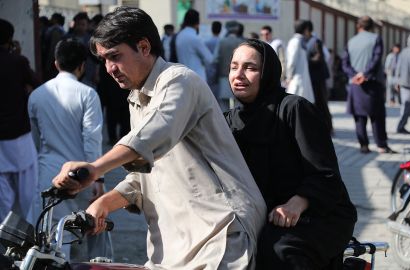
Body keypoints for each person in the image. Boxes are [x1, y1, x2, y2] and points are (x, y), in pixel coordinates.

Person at [52, 7, 266, 269]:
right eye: (104, 60)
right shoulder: (137, 98)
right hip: (173, 245)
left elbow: (153, 134)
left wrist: (94, 169)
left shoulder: (179, 80)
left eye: (115, 56)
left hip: (219, 233)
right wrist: (104, 202)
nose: (109, 68)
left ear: (143, 46)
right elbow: (143, 177)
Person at [225, 39, 357, 270]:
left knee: (278, 249)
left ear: (268, 73)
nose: (239, 74)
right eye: (234, 66)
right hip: (264, 214)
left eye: (251, 68)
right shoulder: (229, 121)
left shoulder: (294, 109)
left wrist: (298, 203)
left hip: (319, 213)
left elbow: (326, 175)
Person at [28, 39, 113, 261]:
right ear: (82, 65)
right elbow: (92, 140)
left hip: (49, 175)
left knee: (52, 240)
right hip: (81, 175)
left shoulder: (36, 96)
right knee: (88, 233)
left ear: (56, 64)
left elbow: (35, 143)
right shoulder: (88, 94)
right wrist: (99, 178)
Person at [0, 18, 40, 223]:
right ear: (10, 39)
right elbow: (37, 84)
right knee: (28, 196)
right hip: (19, 136)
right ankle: (28, 241)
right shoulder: (17, 62)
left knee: (2, 200)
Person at [342, 16, 394, 154]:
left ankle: (363, 145)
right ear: (372, 27)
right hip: (372, 83)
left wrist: (354, 75)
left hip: (355, 84)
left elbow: (345, 63)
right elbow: (376, 59)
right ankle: (381, 145)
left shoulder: (351, 41)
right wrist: (364, 74)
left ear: (358, 26)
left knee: (359, 116)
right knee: (377, 116)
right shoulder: (376, 39)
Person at [305, 20, 333, 134]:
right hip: (312, 77)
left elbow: (319, 57)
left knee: (321, 102)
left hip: (318, 78)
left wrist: (306, 61)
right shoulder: (306, 41)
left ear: (307, 30)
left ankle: (328, 127)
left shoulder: (315, 41)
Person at [214, 20, 244, 111]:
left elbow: (215, 59)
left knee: (224, 106)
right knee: (239, 103)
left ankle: (225, 124)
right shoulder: (242, 42)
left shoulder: (221, 42)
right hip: (239, 76)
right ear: (237, 29)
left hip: (224, 77)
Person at [175, 9, 213, 81]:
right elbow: (209, 59)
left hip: (183, 77)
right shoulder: (195, 38)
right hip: (197, 77)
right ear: (197, 22)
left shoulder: (179, 36)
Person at [286, 20, 315, 103]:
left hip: (301, 78)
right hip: (296, 79)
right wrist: (289, 77)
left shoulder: (301, 41)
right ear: (305, 30)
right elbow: (291, 61)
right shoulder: (295, 42)